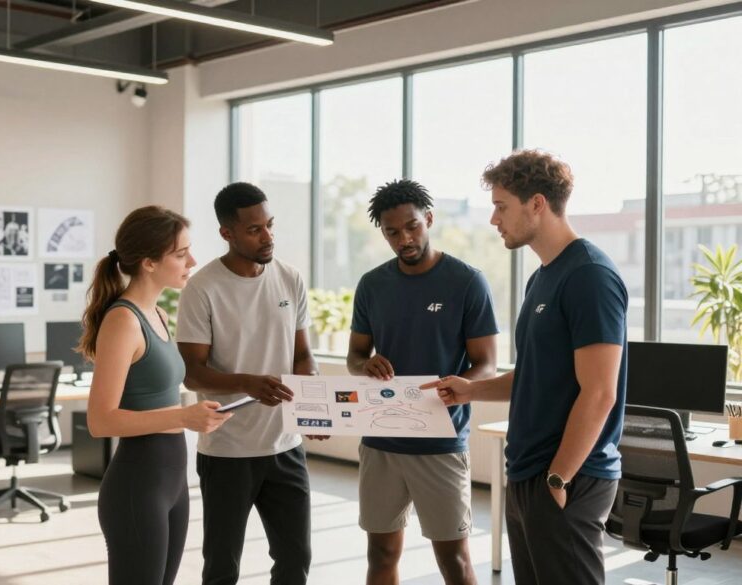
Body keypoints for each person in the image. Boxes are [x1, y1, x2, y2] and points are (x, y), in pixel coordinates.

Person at [424, 150, 628, 585]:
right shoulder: (543, 277)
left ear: (537, 203)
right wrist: (471, 390)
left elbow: (599, 392)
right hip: (528, 471)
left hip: (567, 475)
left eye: (501, 206)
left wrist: (558, 478)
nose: (494, 219)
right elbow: (536, 374)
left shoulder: (589, 276)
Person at [347, 180, 498, 585]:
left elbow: (486, 365)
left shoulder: (466, 281)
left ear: (428, 219)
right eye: (392, 232)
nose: (404, 239)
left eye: (412, 226)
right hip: (380, 440)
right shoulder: (372, 284)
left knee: (454, 560)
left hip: (440, 442)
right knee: (380, 554)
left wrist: (457, 385)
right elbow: (354, 357)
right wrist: (367, 365)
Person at [79, 205, 232, 585]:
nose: (192, 261)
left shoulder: (159, 315)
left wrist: (196, 412)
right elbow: (100, 421)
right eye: (180, 254)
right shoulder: (122, 321)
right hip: (137, 485)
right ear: (148, 262)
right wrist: (184, 417)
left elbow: (155, 394)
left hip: (171, 480)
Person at [177, 182, 319, 585]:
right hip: (227, 452)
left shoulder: (290, 278)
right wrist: (247, 384)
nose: (268, 236)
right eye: (255, 229)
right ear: (228, 233)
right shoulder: (201, 288)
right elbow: (192, 371)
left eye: (270, 225)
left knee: (295, 562)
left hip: (286, 447)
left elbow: (303, 356)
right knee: (222, 566)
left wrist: (312, 405)